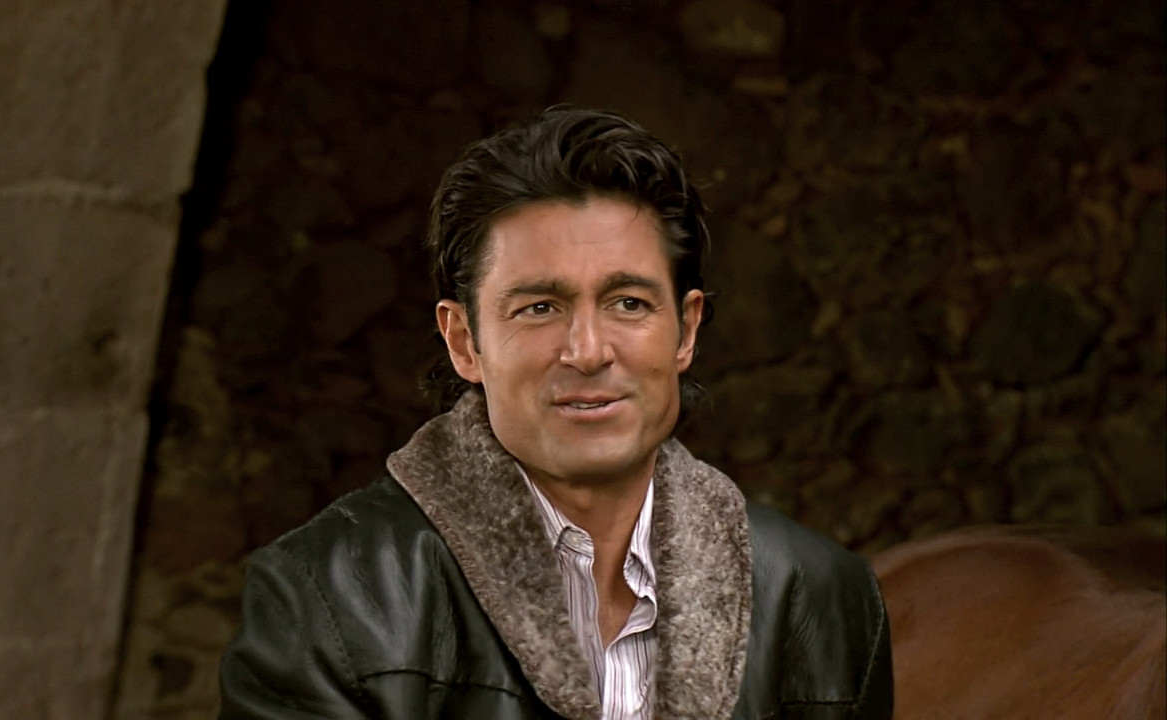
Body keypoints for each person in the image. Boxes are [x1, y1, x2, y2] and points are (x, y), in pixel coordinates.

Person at [219, 108, 892, 720]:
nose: (588, 351)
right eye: (539, 308)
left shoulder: (821, 596)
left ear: (686, 331)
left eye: (628, 303)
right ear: (464, 342)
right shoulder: (323, 597)